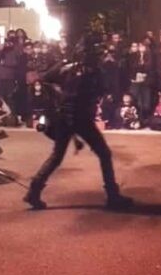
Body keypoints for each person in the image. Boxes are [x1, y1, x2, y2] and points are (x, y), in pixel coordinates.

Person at [23, 34, 134, 211]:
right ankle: (113, 196)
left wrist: (60, 96)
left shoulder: (67, 66)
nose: (100, 55)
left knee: (57, 156)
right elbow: (98, 92)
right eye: (98, 52)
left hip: (65, 116)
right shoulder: (92, 71)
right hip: (79, 117)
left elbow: (46, 79)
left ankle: (34, 191)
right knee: (103, 153)